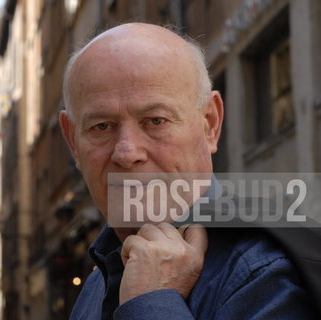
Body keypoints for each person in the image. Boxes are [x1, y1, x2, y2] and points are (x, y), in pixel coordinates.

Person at [59, 23, 318, 319]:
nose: (127, 153)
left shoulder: (265, 274)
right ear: (72, 141)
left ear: (210, 123)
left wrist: (151, 303)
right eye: (101, 127)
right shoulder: (97, 281)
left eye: (156, 120)